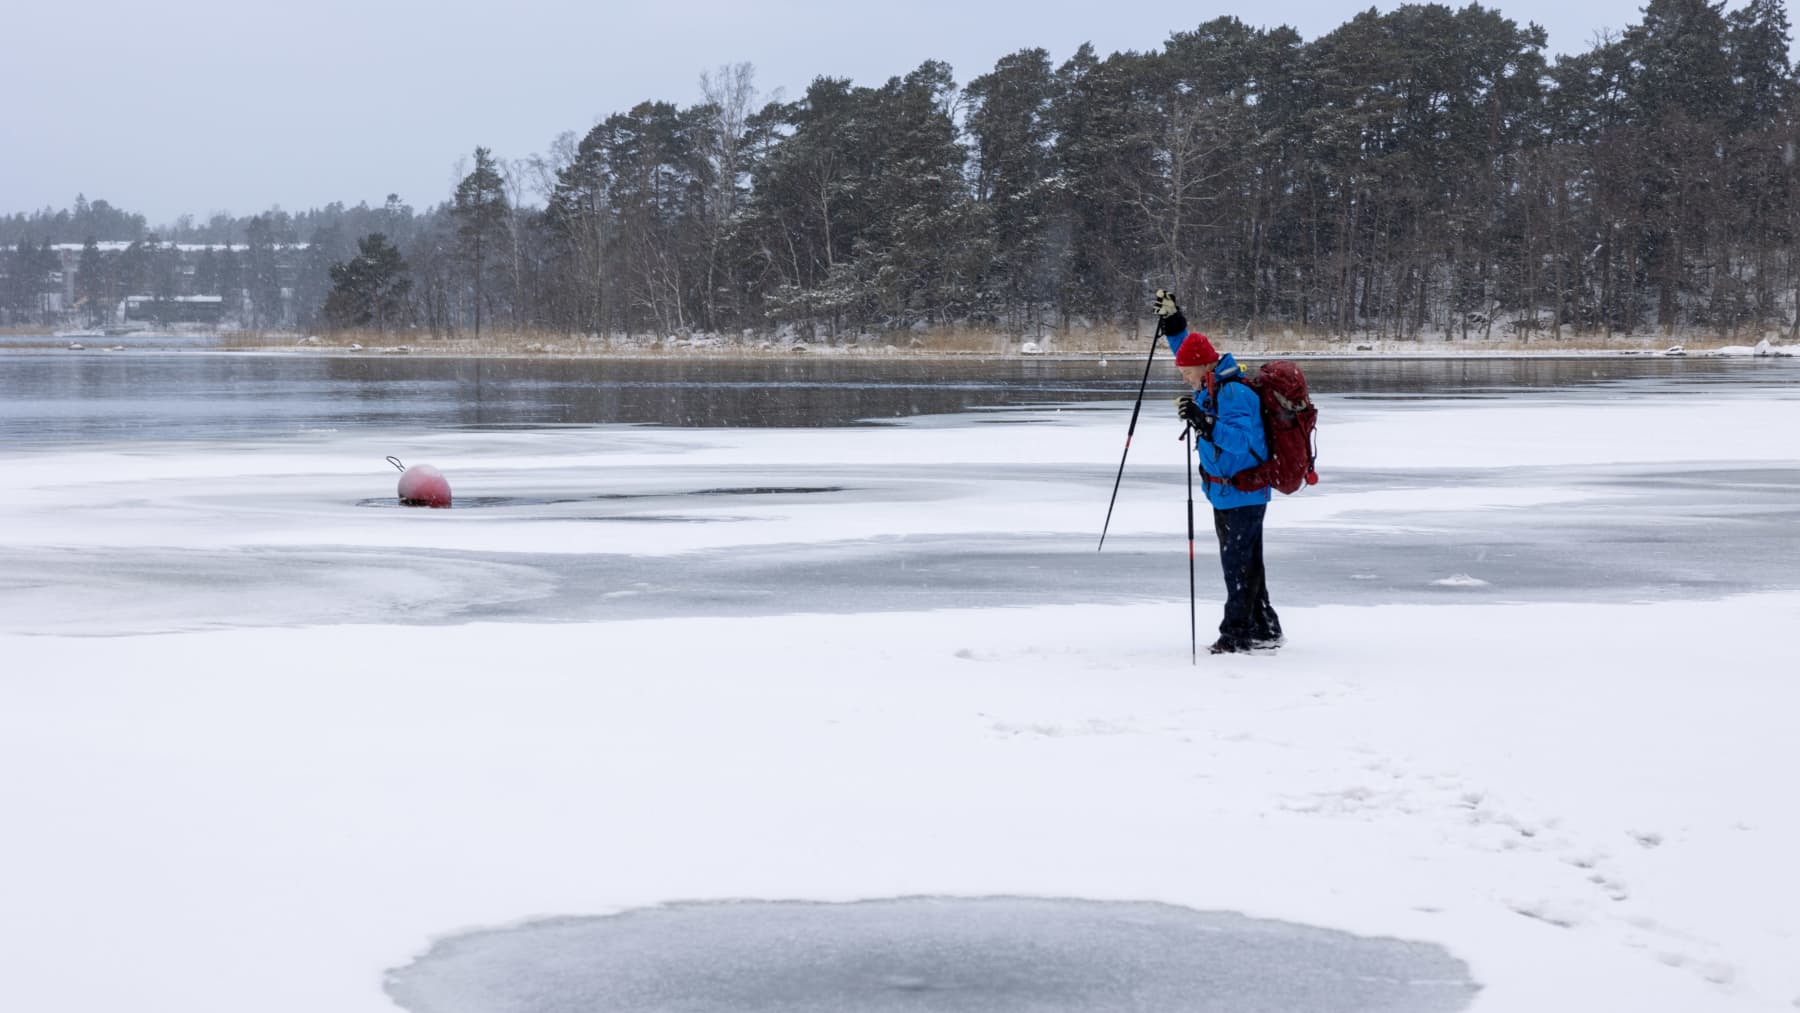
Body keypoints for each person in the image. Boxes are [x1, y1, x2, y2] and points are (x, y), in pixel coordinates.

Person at [1154, 289, 1282, 655]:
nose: (1183, 377)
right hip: (1225, 492)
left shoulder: (1235, 394)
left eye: (1186, 372)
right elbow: (1188, 350)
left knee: (1237, 567)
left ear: (1204, 367)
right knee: (1248, 563)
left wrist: (1205, 423)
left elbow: (1243, 442)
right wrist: (1174, 323)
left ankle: (1236, 634)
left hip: (1245, 492)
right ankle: (1265, 627)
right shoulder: (1209, 380)